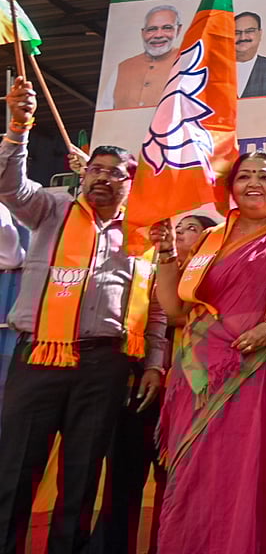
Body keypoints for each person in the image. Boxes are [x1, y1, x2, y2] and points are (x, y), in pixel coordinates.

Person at [0, 77, 168, 554]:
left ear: (130, 183)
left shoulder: (144, 232)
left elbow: (154, 307)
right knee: (15, 467)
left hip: (106, 364)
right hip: (38, 358)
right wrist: (19, 126)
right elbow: (7, 183)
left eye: (115, 173)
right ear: (83, 173)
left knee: (82, 475)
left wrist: (155, 361)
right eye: (96, 168)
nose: (102, 177)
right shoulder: (51, 208)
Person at [152, 152, 266, 554]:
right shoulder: (209, 240)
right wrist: (168, 254)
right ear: (231, 188)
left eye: (264, 176)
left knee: (257, 469)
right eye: (244, 177)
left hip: (263, 371)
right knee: (199, 473)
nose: (254, 183)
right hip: (197, 375)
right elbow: (175, 310)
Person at [90, 212, 219, 554]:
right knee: (123, 481)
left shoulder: (216, 275)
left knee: (178, 484)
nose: (180, 235)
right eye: (177, 229)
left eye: (191, 229)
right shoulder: (150, 269)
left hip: (194, 395)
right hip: (144, 389)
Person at [97, 5, 183, 110]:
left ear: (178, 30)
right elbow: (105, 111)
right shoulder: (123, 67)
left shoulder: (187, 61)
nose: (158, 35)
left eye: (167, 28)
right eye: (152, 29)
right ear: (143, 33)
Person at [234, 11, 266, 98]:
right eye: (236, 33)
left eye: (249, 31)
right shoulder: (213, 70)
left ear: (260, 33)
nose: (243, 37)